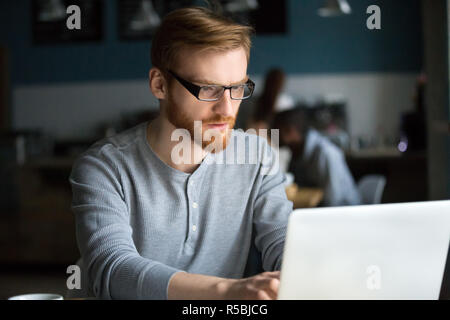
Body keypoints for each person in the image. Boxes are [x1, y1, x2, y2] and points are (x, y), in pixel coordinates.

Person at [69, 6, 292, 300]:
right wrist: (228, 290)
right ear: (160, 84)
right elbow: (112, 271)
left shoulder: (257, 157)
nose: (227, 109)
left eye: (237, 88)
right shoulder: (103, 167)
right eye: (208, 89)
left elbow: (284, 243)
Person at [273, 108, 361, 207]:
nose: (271, 134)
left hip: (344, 214)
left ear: (290, 130)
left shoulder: (326, 153)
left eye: (274, 130)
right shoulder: (296, 151)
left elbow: (332, 201)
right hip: (316, 212)